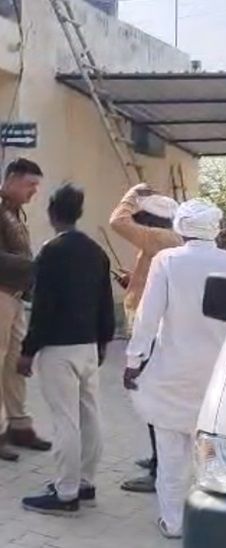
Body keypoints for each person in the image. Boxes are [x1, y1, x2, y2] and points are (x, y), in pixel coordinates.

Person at [123, 199, 226, 539]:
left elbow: (148, 317)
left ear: (180, 227)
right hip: (216, 376)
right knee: (210, 454)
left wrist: (133, 361)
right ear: (214, 228)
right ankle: (211, 521)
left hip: (171, 371)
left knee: (170, 454)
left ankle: (173, 522)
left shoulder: (167, 260)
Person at [17, 183, 115, 516]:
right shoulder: (97, 252)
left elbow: (43, 307)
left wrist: (28, 350)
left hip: (58, 348)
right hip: (88, 346)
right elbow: (105, 304)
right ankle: (85, 483)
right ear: (79, 212)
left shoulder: (51, 251)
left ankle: (65, 493)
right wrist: (103, 342)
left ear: (51, 212)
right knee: (90, 415)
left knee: (65, 421)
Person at [110, 183, 181, 493]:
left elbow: (118, 221)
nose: (138, 225)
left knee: (153, 401)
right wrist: (133, 281)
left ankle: (159, 469)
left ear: (153, 221)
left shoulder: (162, 238)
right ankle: (158, 459)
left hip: (153, 333)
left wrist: (133, 194)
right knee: (152, 402)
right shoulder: (161, 242)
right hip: (155, 329)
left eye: (142, 220)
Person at [0, 158, 51, 462]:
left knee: (15, 364)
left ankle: (19, 425)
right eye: (30, 184)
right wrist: (34, 266)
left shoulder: (14, 211)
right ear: (12, 180)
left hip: (15, 297)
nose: (34, 191)